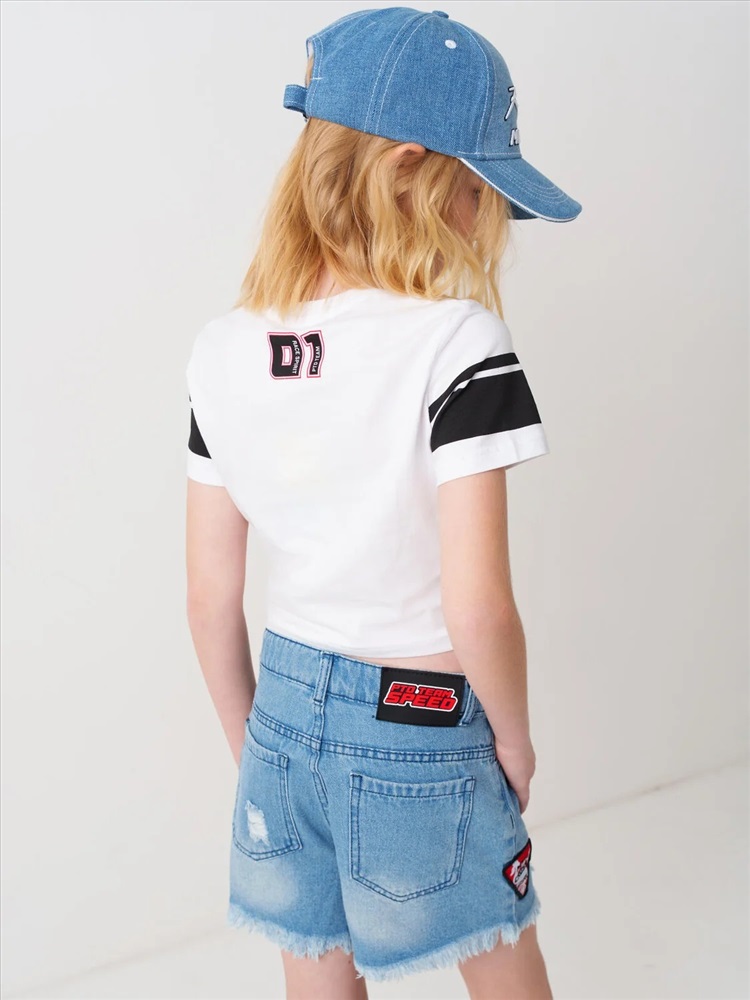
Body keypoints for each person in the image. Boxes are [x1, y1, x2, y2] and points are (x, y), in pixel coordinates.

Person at [185, 7, 581, 999]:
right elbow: (478, 604)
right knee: (504, 962)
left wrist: (257, 746)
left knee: (316, 975)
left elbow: (208, 596)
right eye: (477, 188)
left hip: (279, 713)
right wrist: (513, 741)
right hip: (420, 715)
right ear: (411, 173)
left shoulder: (222, 351)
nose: (485, 218)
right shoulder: (456, 344)